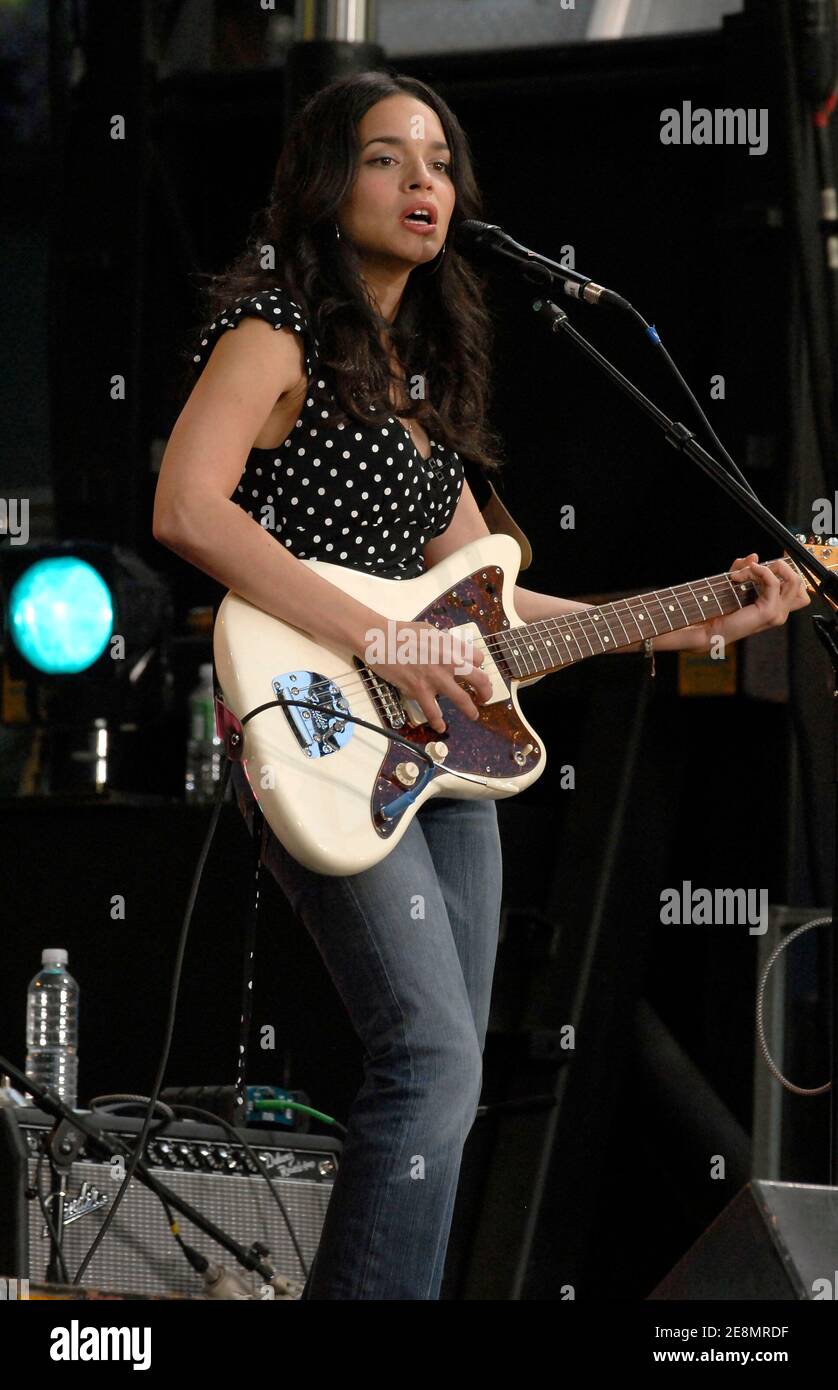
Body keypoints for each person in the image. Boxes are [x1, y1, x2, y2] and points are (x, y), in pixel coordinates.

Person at [152, 69, 810, 1300]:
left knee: (446, 1081)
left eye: (441, 164)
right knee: (431, 1059)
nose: (424, 183)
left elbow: (493, 612)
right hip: (316, 718)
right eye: (387, 158)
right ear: (325, 184)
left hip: (444, 751)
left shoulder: (421, 382)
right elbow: (187, 507)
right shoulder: (274, 331)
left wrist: (699, 617)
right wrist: (381, 637)